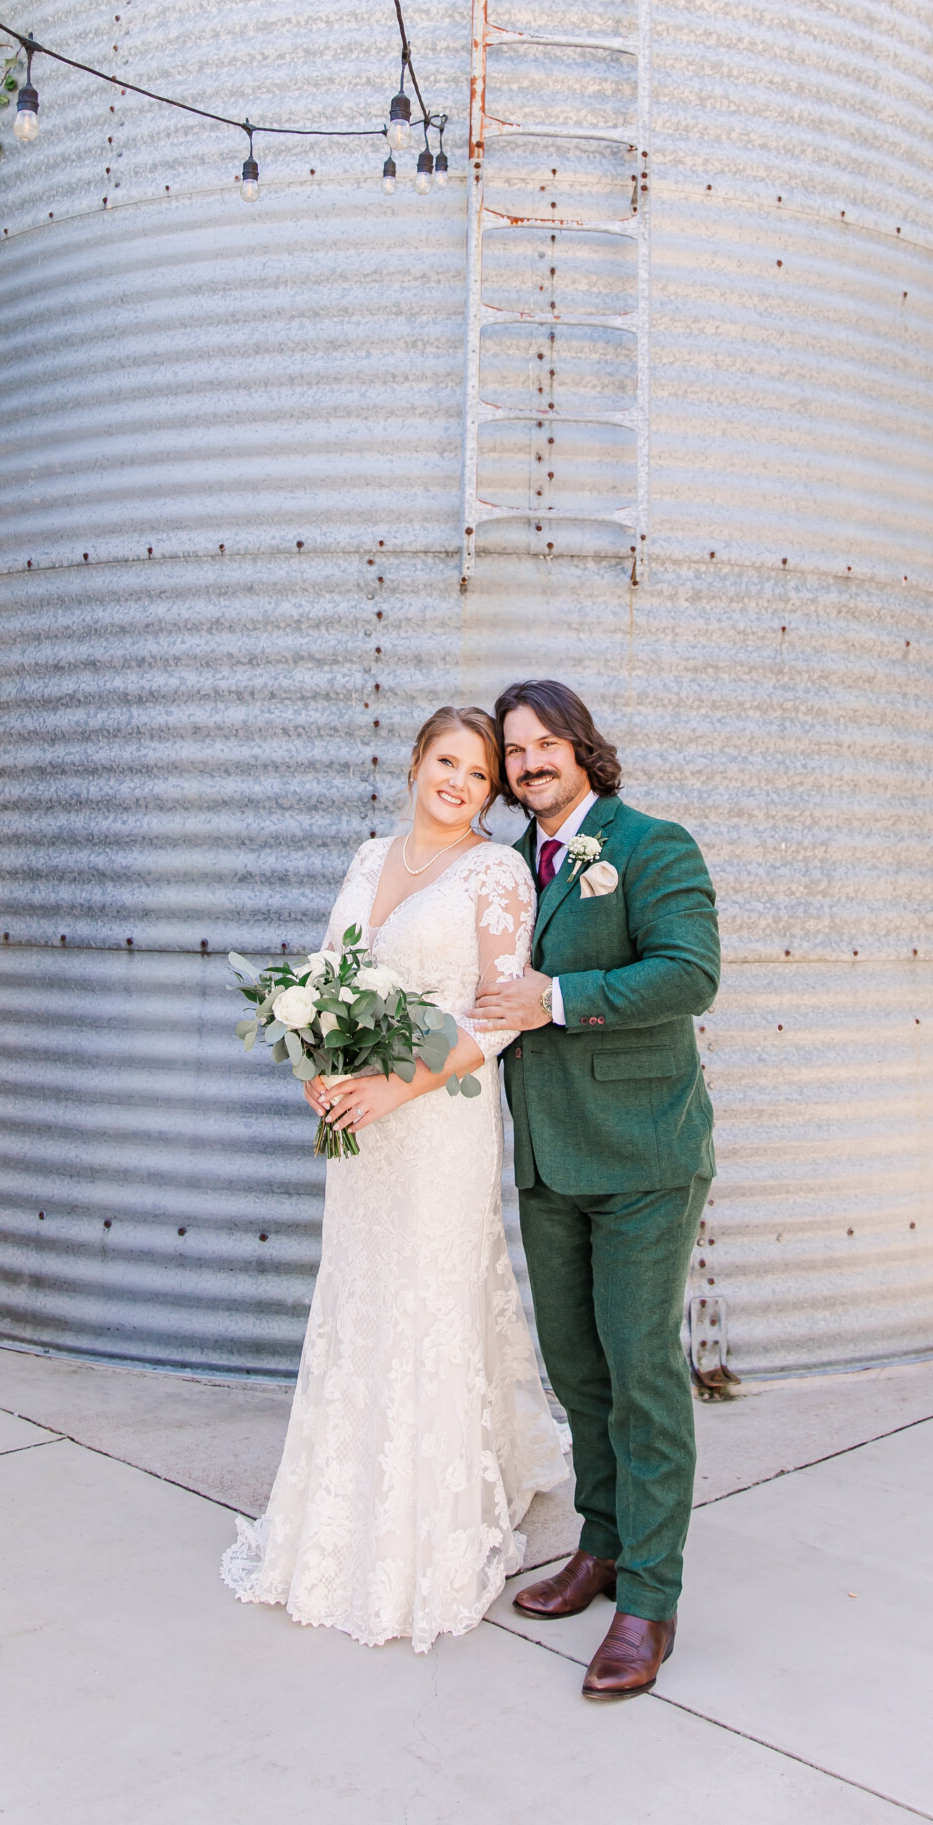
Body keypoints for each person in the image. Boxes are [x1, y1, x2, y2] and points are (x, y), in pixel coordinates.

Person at [221, 704, 567, 1653]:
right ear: (416, 762)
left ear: (492, 796)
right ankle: (345, 1492)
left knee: (426, 1297)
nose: (460, 783)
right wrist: (319, 1069)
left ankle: (427, 1519)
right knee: (361, 1292)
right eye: (448, 762)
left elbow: (501, 1015)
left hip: (436, 1121)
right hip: (359, 1126)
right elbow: (331, 978)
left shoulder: (494, 873)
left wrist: (393, 1087)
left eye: (481, 776)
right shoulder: (371, 858)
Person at [469, 680, 720, 1703]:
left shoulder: (654, 845)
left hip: (643, 1157)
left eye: (542, 744)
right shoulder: (504, 867)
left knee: (642, 1373)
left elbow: (689, 973)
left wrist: (558, 997)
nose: (527, 764)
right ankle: (602, 1545)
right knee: (579, 1374)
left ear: (581, 746)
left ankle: (650, 1601)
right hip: (546, 1160)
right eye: (512, 752)